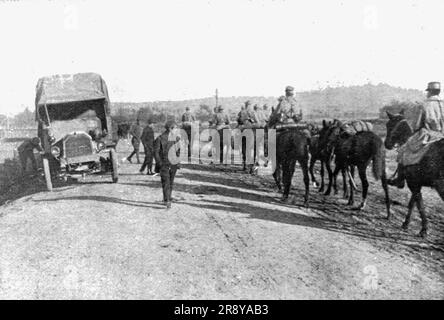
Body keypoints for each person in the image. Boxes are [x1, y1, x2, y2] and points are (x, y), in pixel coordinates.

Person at [388, 81, 444, 188]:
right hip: (442, 135)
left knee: (404, 149)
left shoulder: (424, 105)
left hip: (429, 135)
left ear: (430, 92)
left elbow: (417, 125)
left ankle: (399, 179)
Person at [154, 120, 181, 209]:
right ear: (170, 129)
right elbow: (156, 153)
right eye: (175, 128)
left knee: (169, 182)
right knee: (167, 182)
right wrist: (160, 164)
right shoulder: (160, 139)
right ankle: (167, 200)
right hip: (166, 164)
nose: (176, 130)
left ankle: (167, 198)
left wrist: (177, 162)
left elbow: (178, 151)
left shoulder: (175, 138)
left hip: (170, 164)